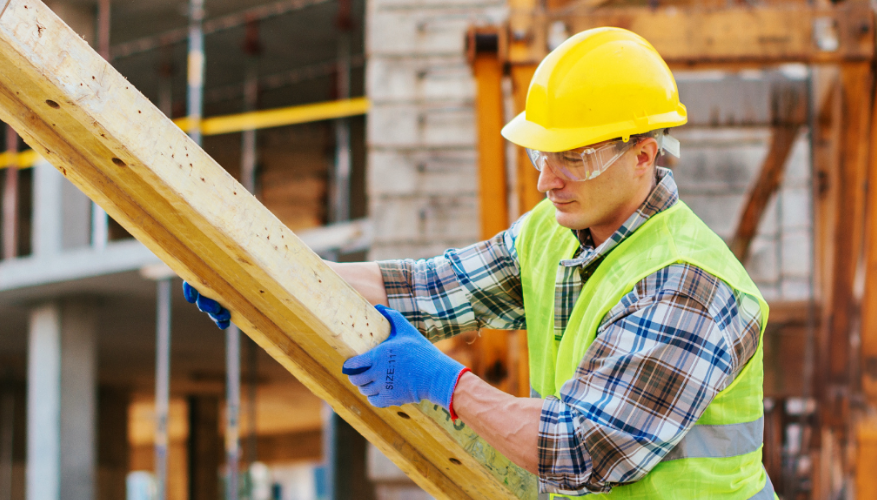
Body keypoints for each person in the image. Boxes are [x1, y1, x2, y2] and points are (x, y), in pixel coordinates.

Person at [185, 27, 775, 499]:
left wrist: (448, 384)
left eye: (574, 157)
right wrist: (263, 280)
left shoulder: (686, 286)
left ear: (643, 155)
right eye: (542, 155)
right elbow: (431, 289)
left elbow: (582, 450)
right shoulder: (556, 230)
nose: (546, 180)